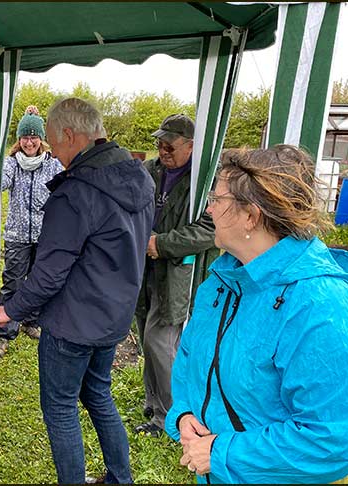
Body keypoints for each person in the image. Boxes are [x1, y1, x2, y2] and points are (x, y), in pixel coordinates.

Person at [166, 145, 348, 484]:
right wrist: (184, 412)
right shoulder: (222, 282)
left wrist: (223, 452)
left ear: (251, 216)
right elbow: (191, 358)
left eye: (217, 200)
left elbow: (334, 438)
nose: (209, 209)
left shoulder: (325, 308)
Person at [0, 97, 155, 484]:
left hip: (73, 323)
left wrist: (10, 309)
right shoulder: (140, 176)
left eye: (55, 145)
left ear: (70, 135)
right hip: (114, 316)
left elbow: (49, 271)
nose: (54, 154)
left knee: (60, 407)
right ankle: (120, 478)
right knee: (98, 395)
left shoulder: (75, 192)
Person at [133, 114, 218, 437]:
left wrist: (160, 243)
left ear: (192, 146)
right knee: (146, 338)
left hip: (178, 272)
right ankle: (153, 403)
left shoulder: (205, 180)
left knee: (161, 341)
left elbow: (209, 230)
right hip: (143, 267)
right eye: (159, 143)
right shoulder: (151, 170)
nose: (162, 150)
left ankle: (172, 417)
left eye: (169, 145)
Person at [0, 105, 63, 358]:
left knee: (38, 281)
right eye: (25, 137)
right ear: (19, 139)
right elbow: (0, 183)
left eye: (34, 137)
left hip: (45, 235)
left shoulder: (52, 164)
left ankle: (32, 321)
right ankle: (4, 331)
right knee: (12, 283)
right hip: (16, 235)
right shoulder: (12, 163)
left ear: (41, 139)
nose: (29, 142)